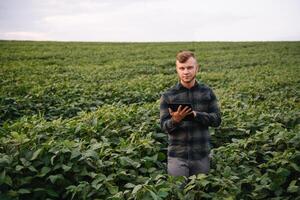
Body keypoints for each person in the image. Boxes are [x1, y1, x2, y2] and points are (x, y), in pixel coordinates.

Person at [160, 50, 221, 177]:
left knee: (200, 191)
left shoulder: (207, 92)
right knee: (178, 192)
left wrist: (195, 115)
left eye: (189, 67)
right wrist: (175, 120)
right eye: (182, 68)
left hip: (201, 155)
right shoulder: (168, 95)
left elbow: (217, 120)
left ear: (197, 68)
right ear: (177, 69)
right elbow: (164, 126)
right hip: (177, 155)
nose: (186, 72)